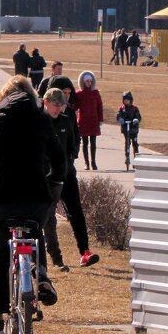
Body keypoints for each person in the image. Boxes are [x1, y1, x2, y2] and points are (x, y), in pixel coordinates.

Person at [0, 75, 65, 334]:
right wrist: (53, 180)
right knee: (35, 233)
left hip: (3, 200)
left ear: (4, 97)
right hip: (35, 199)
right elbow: (58, 158)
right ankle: (41, 274)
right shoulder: (42, 120)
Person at [41, 87, 100, 271]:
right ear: (46, 103)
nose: (59, 109)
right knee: (49, 218)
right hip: (47, 178)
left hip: (66, 174)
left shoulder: (67, 120)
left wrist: (70, 158)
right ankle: (56, 259)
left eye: (62, 105)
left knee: (76, 211)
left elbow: (75, 141)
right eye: (55, 105)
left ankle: (85, 252)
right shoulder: (40, 123)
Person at [75, 70, 103, 170]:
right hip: (83, 121)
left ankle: (93, 162)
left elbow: (99, 106)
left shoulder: (95, 93)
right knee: (85, 142)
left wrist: (100, 119)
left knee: (93, 142)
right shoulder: (79, 94)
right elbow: (75, 106)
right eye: (86, 81)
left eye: (90, 81)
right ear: (83, 82)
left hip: (94, 120)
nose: (88, 83)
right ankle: (86, 163)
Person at [116, 91, 142, 166]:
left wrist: (136, 120)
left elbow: (138, 116)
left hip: (133, 129)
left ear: (130, 100)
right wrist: (120, 119)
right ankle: (127, 157)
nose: (126, 101)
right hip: (125, 128)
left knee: (135, 143)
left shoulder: (134, 108)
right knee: (127, 142)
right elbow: (118, 115)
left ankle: (136, 159)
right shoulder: (122, 109)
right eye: (125, 100)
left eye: (127, 100)